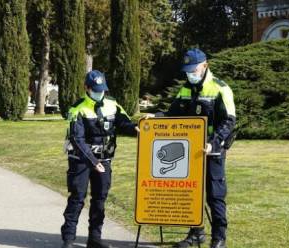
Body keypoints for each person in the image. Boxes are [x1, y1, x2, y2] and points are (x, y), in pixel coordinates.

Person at [154, 48, 236, 248]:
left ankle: (219, 239)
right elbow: (173, 114)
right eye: (188, 70)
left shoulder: (220, 89)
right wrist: (155, 118)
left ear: (205, 66)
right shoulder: (185, 89)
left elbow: (229, 121)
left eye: (194, 70)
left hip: (212, 151)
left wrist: (213, 143)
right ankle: (195, 233)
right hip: (189, 152)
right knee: (191, 194)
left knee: (215, 195)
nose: (190, 74)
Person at [61, 70, 139, 248]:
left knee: (100, 198)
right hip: (81, 161)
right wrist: (93, 162)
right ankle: (68, 239)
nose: (99, 92)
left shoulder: (112, 104)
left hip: (104, 160)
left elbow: (124, 123)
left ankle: (94, 238)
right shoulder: (77, 108)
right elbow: (77, 139)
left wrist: (138, 128)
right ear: (87, 88)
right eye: (95, 89)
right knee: (77, 198)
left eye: (102, 89)